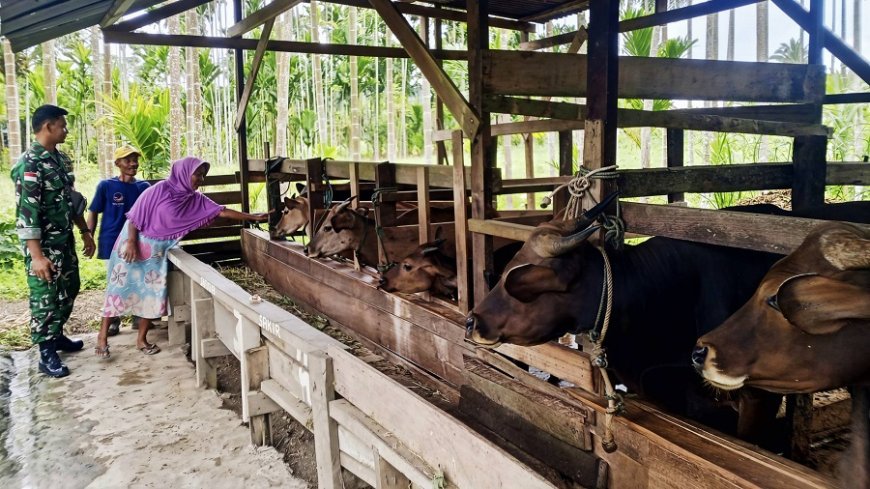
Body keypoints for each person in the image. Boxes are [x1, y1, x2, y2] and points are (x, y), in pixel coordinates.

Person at [96, 157, 268, 358]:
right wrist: (132, 243)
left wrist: (254, 217)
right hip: (132, 247)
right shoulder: (159, 189)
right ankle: (102, 337)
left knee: (150, 294)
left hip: (157, 254)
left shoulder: (194, 199)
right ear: (184, 172)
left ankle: (141, 339)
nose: (201, 179)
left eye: (203, 175)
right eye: (197, 174)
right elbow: (135, 216)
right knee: (117, 290)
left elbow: (222, 211)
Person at [11, 104, 96, 378]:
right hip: (44, 247)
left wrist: (84, 231)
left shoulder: (60, 160)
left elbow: (72, 201)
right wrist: (36, 256)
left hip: (64, 241)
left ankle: (57, 335)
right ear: (48, 126)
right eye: (62, 124)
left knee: (70, 289)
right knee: (45, 298)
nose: (66, 129)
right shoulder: (30, 163)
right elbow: (27, 213)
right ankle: (46, 352)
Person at [87, 146, 150, 336]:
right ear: (117, 164)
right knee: (116, 282)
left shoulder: (144, 187)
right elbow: (93, 212)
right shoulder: (106, 186)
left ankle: (139, 316)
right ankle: (114, 319)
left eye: (135, 160)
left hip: (138, 241)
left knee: (139, 278)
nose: (133, 163)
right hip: (111, 241)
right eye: (128, 160)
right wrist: (88, 236)